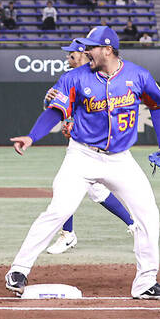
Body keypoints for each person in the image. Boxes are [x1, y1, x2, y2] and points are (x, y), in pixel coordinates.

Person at [6, 26, 160, 300]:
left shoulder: (137, 75)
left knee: (149, 214)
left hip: (121, 160)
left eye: (92, 47)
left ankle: (146, 283)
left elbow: (158, 105)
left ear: (108, 50)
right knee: (59, 210)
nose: (86, 51)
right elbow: (55, 111)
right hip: (82, 156)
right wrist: (31, 136)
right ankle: (19, 269)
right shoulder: (74, 78)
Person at [42, 39, 138, 254]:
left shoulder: (103, 76)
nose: (68, 58)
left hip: (106, 149)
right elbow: (53, 108)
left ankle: (133, 225)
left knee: (99, 192)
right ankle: (68, 234)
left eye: (72, 54)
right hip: (81, 149)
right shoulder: (68, 79)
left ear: (84, 54)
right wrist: (50, 101)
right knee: (67, 190)